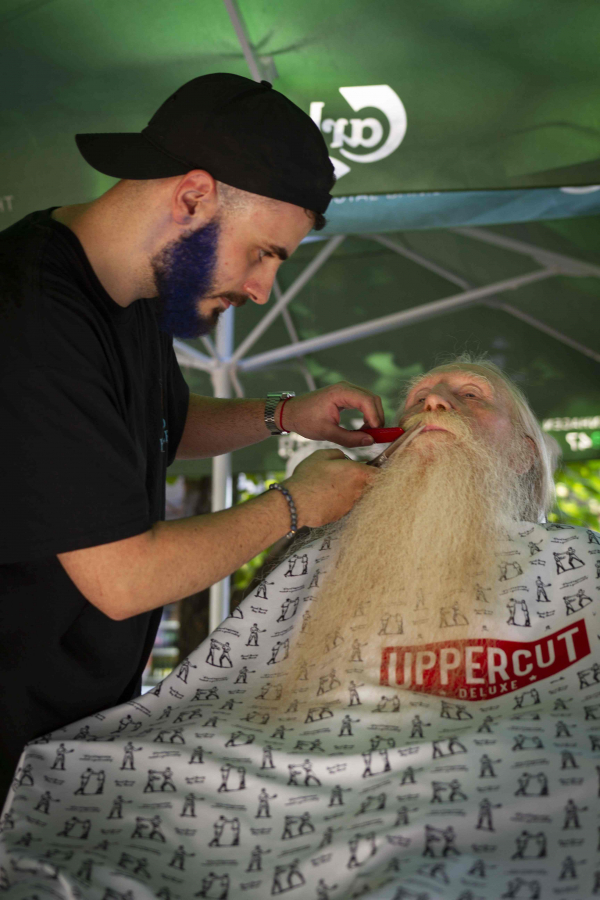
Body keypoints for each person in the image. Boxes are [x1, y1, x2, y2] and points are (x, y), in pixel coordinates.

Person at [4, 355, 600, 900]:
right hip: (273, 795)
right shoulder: (319, 554)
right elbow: (222, 690)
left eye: (471, 395)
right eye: (418, 399)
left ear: (524, 453)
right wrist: (292, 496)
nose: (434, 402)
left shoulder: (580, 560)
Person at [0, 72, 383, 802]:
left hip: (72, 726)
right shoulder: (32, 319)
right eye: (264, 253)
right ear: (192, 198)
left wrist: (286, 415)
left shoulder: (134, 291)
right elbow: (124, 580)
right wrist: (295, 504)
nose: (262, 290)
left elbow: (160, 424)